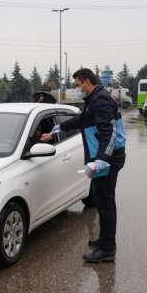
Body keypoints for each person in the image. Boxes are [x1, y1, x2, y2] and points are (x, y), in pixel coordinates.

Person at [41, 68, 126, 263]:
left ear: (87, 81)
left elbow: (108, 133)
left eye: (78, 85)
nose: (77, 89)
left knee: (105, 203)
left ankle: (107, 249)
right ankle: (104, 241)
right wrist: (59, 128)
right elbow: (83, 120)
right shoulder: (95, 99)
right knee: (102, 200)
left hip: (108, 159)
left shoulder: (101, 100)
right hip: (103, 157)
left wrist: (102, 159)